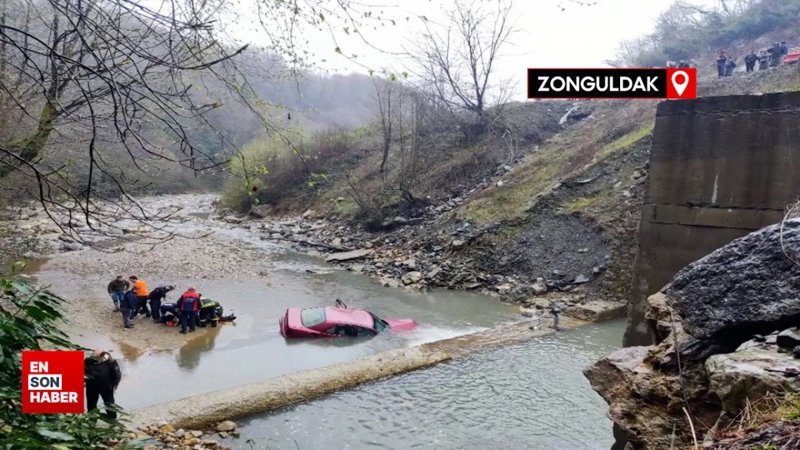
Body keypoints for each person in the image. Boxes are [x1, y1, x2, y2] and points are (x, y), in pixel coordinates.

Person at [84, 350, 121, 419]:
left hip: (106, 387)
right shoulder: (88, 361)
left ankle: (112, 419)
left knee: (109, 404)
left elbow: (117, 375)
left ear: (101, 355)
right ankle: (92, 419)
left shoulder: (110, 361)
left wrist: (115, 385)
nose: (93, 358)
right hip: (91, 387)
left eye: (95, 357)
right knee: (91, 404)